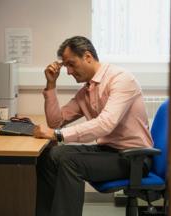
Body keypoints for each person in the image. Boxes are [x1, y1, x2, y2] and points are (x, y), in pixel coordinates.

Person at [33, 36, 153, 216]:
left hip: (134, 158)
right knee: (48, 156)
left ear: (87, 56)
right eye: (66, 66)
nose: (68, 71)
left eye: (71, 64)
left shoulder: (121, 79)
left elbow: (105, 124)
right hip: (108, 151)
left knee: (69, 161)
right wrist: (51, 84)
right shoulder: (86, 91)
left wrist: (57, 135)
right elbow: (55, 122)